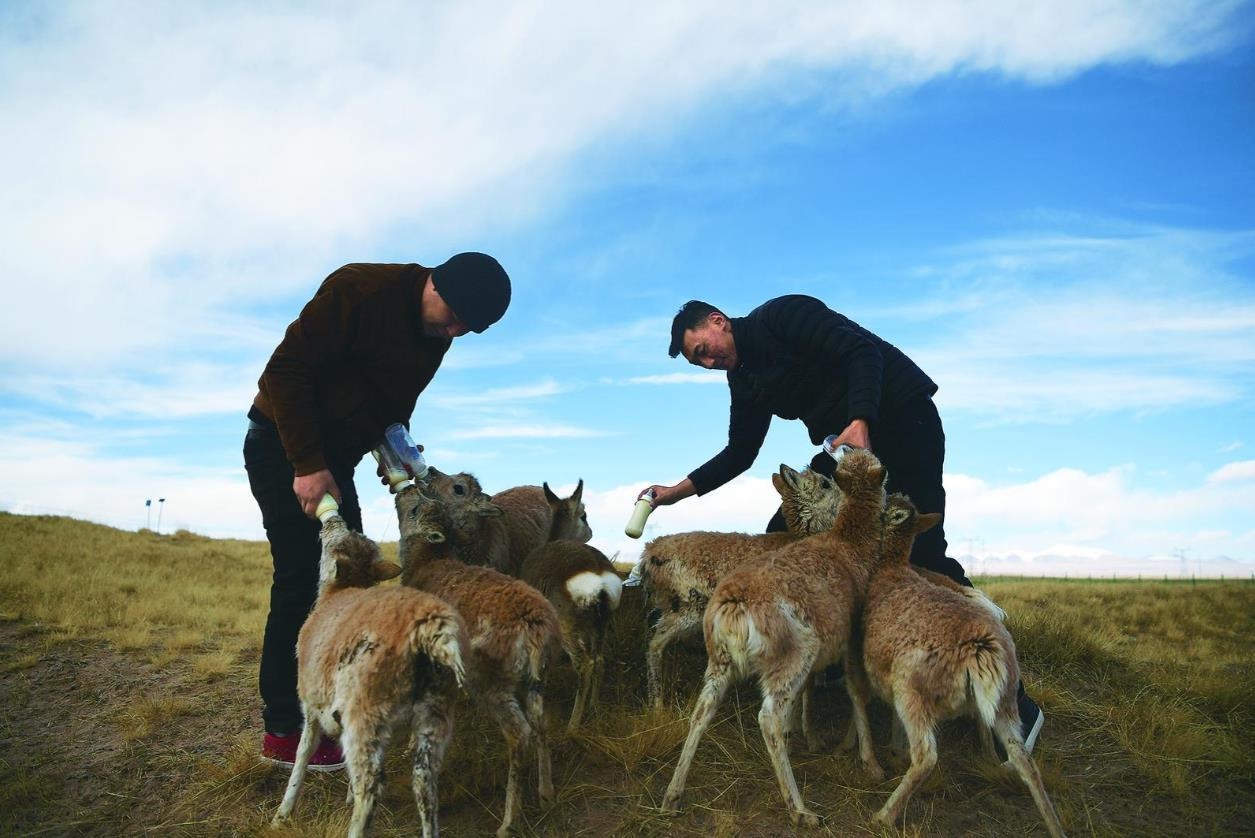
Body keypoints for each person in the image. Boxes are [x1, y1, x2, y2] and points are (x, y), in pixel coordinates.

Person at [638, 295, 1043, 752]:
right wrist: (675, 492)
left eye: (703, 350)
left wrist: (861, 418)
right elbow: (740, 452)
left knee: (920, 550)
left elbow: (862, 352)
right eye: (699, 363)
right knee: (783, 535)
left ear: (717, 321)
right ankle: (825, 663)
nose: (708, 362)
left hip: (901, 418)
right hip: (846, 450)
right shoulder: (744, 378)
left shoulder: (784, 316)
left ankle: (1016, 707)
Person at [244, 253, 511, 770]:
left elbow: (393, 408)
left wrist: (400, 457)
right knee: (302, 579)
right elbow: (286, 370)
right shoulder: (360, 290)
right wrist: (306, 464)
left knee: (354, 580)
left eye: (467, 329)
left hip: (336, 457)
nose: (454, 331)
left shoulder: (438, 337)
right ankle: (283, 726)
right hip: (284, 444)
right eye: (454, 315)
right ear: (436, 282)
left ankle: (339, 703)